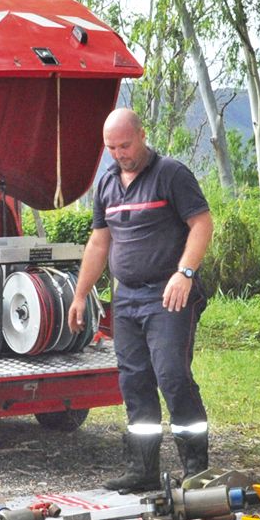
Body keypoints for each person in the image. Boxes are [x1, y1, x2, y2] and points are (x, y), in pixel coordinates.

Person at [70, 108, 214, 491]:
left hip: (167, 296)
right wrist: (81, 293)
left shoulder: (171, 174)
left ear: (142, 134)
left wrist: (185, 274)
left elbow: (202, 223)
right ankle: (142, 468)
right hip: (126, 299)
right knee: (134, 382)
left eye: (126, 144)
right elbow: (100, 241)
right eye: (112, 147)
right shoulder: (107, 185)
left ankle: (196, 467)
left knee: (172, 375)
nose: (120, 153)